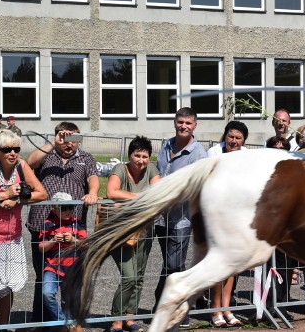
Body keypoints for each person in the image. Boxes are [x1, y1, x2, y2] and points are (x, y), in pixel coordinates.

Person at [26, 122, 99, 323]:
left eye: (74, 139)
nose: (69, 143)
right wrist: (53, 141)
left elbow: (93, 177)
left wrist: (92, 193)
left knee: (70, 276)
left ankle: (69, 321)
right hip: (42, 223)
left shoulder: (85, 158)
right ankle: (41, 322)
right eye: (66, 138)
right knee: (43, 276)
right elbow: (29, 163)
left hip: (72, 226)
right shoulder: (47, 154)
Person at [0, 129, 46, 326]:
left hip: (11, 237)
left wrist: (17, 200)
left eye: (16, 148)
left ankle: (4, 326)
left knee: (7, 286)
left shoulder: (21, 165)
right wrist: (3, 195)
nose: (12, 153)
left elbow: (42, 193)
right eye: (7, 149)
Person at [154, 107, 207, 327]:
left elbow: (199, 187)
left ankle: (180, 312)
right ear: (174, 122)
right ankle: (163, 307)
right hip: (160, 218)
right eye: (180, 122)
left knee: (176, 267)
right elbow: (158, 173)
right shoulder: (166, 145)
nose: (183, 126)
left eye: (188, 123)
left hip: (182, 220)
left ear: (195, 126)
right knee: (169, 265)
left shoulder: (199, 154)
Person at [106, 136, 160, 332]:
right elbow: (112, 192)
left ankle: (130, 317)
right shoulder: (120, 169)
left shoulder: (152, 170)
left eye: (145, 156)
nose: (141, 160)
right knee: (128, 276)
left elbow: (159, 191)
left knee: (138, 276)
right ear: (130, 155)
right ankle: (116, 319)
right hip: (121, 231)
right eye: (137, 155)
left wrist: (135, 198)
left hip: (144, 230)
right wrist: (139, 197)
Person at [206, 121, 248, 327]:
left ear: (244, 141)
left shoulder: (246, 156)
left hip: (237, 215)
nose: (233, 141)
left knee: (232, 265)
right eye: (231, 136)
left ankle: (227, 308)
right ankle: (215, 309)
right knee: (218, 263)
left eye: (238, 138)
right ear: (225, 136)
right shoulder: (214, 152)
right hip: (217, 214)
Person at [38, 192, 87, 329]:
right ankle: (61, 322)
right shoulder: (48, 224)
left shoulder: (76, 223)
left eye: (70, 207)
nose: (68, 211)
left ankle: (69, 324)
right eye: (63, 208)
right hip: (53, 266)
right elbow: (41, 247)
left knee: (70, 299)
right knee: (47, 293)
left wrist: (74, 240)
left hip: (73, 266)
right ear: (54, 209)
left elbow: (87, 245)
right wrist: (53, 241)